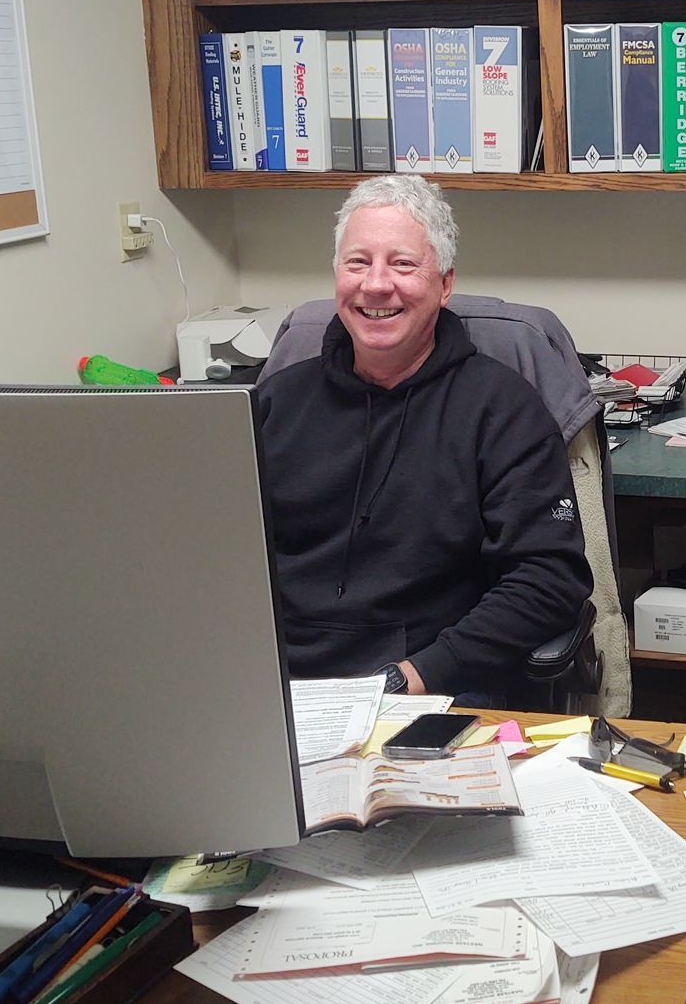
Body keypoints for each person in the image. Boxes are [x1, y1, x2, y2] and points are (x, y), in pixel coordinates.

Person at [253, 177, 592, 702]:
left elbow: (550, 579)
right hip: (277, 688)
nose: (376, 285)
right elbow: (218, 557)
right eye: (358, 262)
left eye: (403, 265)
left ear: (444, 284)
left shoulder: (502, 409)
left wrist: (418, 674)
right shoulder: (276, 402)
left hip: (427, 689)